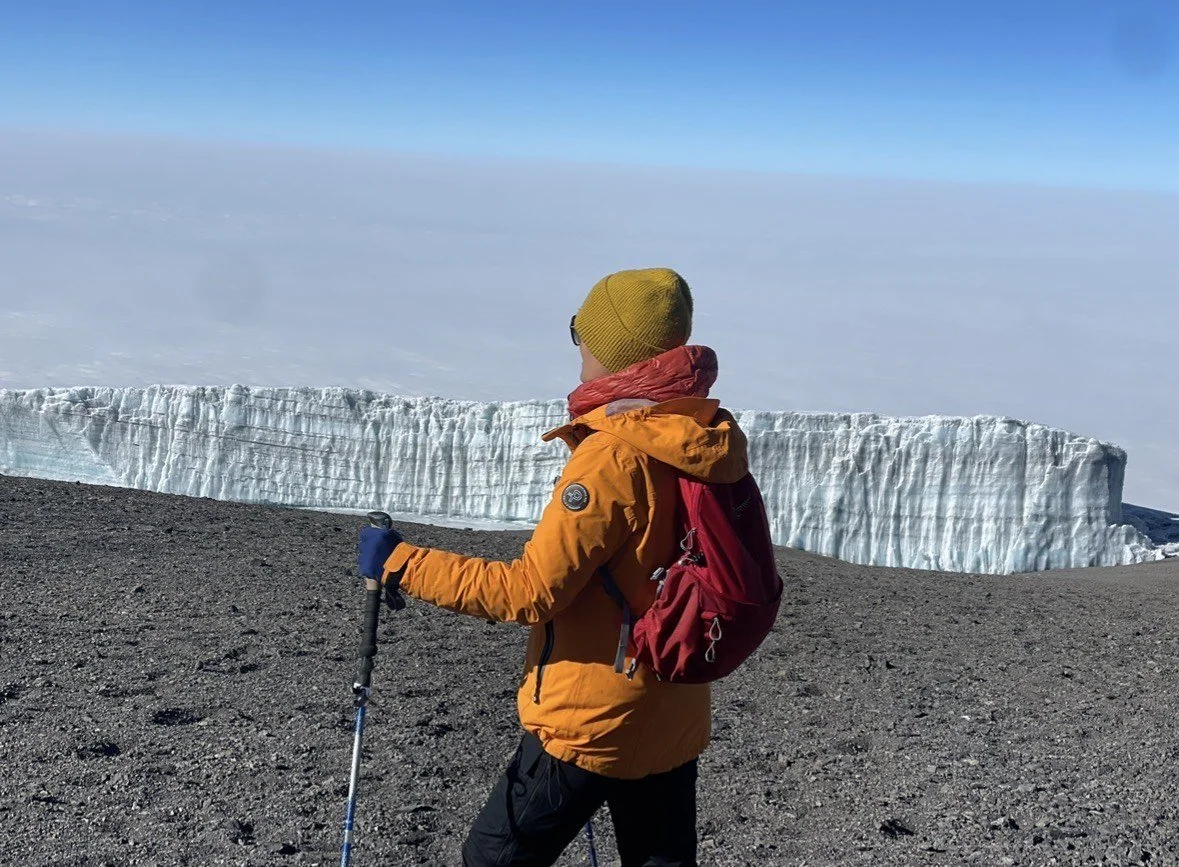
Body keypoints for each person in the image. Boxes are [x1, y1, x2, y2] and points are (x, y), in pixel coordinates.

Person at [357, 268, 752, 867]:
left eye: (581, 332)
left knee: (492, 859)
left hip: (594, 721)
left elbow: (531, 592)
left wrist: (401, 563)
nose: (579, 347)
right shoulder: (701, 434)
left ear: (614, 350)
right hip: (673, 713)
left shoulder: (614, 456)